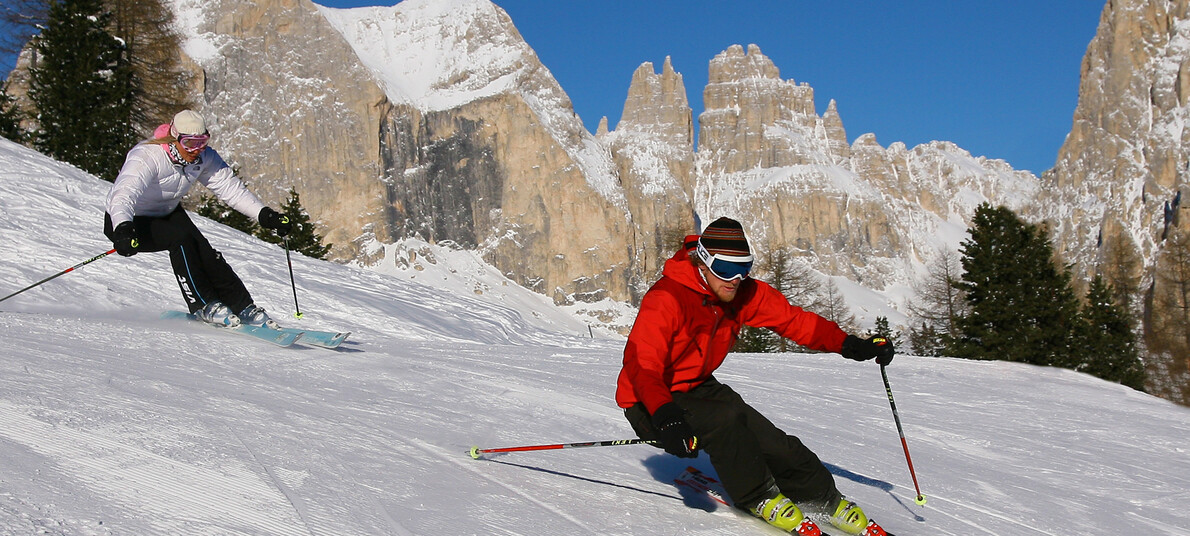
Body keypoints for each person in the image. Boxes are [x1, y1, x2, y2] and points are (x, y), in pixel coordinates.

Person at [616, 217, 895, 536]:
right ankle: (758, 495)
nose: (735, 279)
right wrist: (666, 417)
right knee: (725, 421)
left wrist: (850, 345)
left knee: (776, 443)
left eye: (743, 268)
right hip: (649, 399)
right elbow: (643, 365)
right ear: (703, 262)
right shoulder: (667, 298)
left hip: (698, 385)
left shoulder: (740, 293)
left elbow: (794, 321)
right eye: (725, 268)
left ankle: (824, 498)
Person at [103, 110, 292, 328]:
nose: (197, 150)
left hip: (167, 212)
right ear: (175, 138)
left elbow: (230, 189)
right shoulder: (147, 155)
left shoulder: (204, 157)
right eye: (190, 143)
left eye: (202, 142)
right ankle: (204, 305)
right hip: (129, 221)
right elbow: (123, 195)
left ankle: (243, 307)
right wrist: (123, 228)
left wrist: (264, 215)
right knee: (181, 239)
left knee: (205, 251)